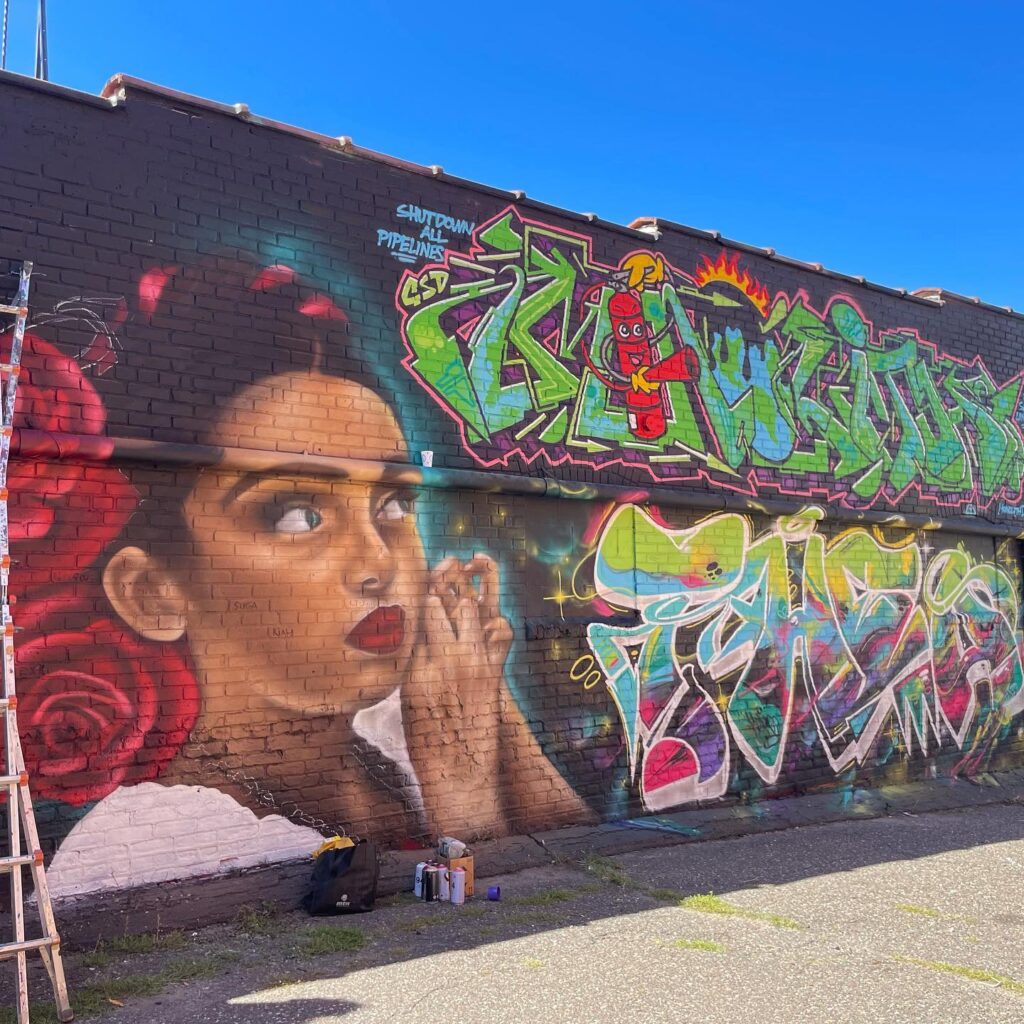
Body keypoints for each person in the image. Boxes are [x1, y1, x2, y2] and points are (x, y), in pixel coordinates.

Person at [14, 258, 590, 894]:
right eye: (296, 514)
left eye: (394, 504)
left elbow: (582, 850)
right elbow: (498, 917)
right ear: (153, 593)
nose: (379, 564)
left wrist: (497, 712)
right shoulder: (152, 838)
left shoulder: (398, 727)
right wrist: (463, 788)